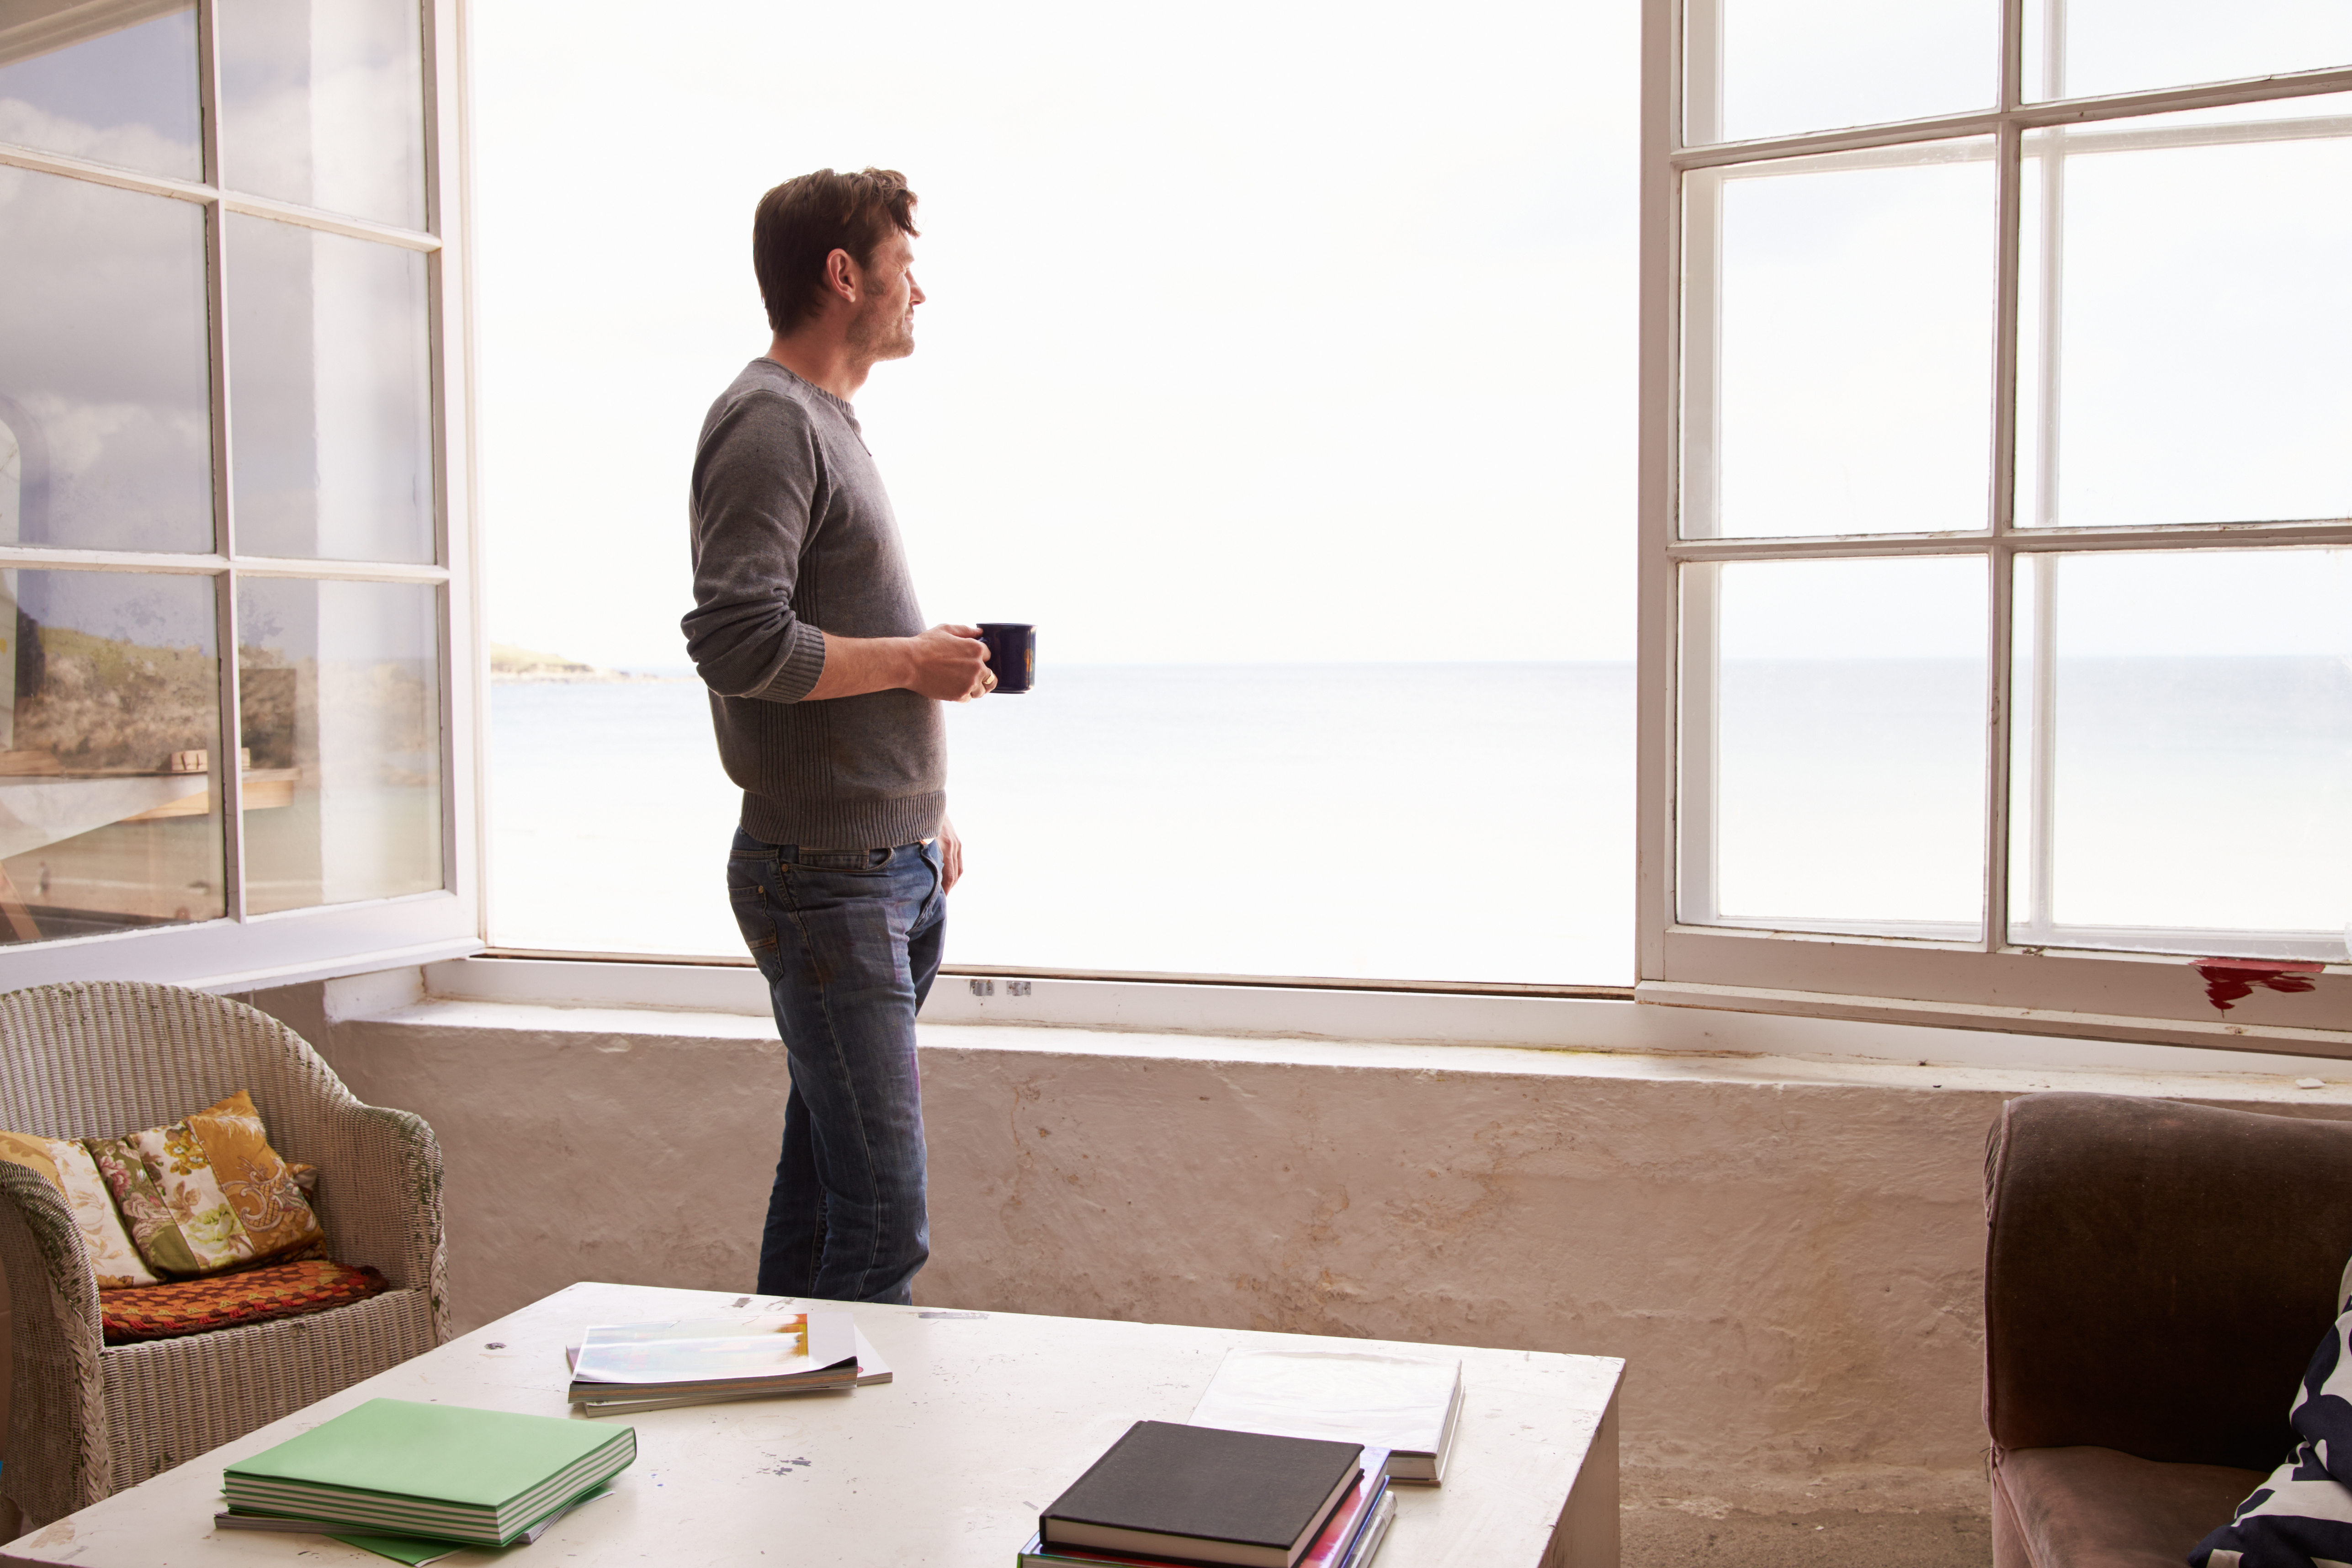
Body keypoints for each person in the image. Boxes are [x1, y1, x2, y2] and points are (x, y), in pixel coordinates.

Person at [682, 167, 992, 1305]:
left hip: (884, 866)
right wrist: (915, 662)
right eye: (907, 268)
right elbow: (740, 641)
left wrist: (920, 808)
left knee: (824, 1197)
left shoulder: (826, 423)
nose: (924, 293)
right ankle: (858, 1480)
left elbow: (823, 634)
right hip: (827, 883)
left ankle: (773, 1461)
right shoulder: (770, 422)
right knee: (880, 1229)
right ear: (845, 274)